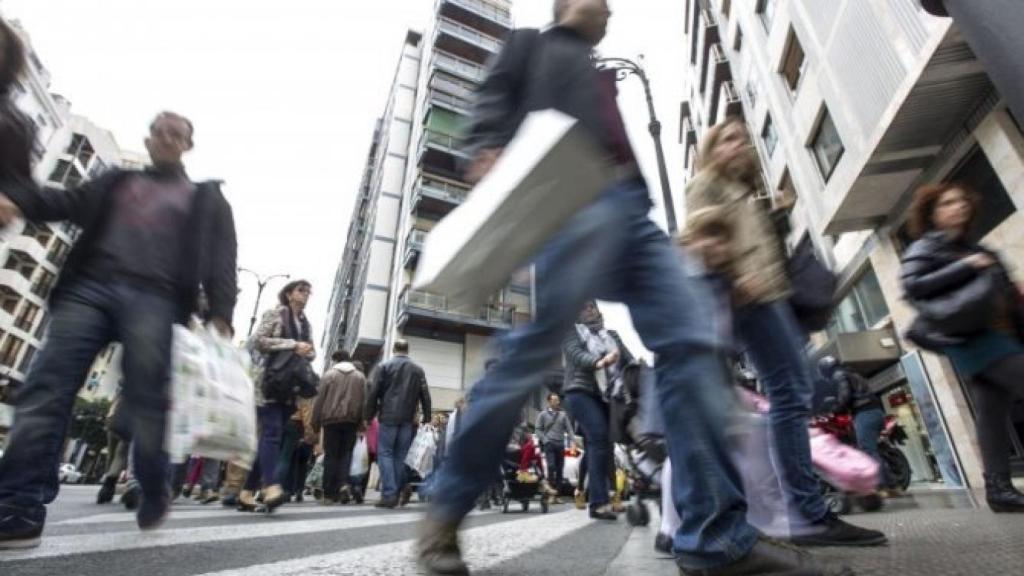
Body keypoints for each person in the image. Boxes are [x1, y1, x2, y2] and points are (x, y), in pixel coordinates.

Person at [417, 2, 853, 575]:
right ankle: (446, 507)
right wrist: (485, 149)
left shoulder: (597, 68)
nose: (609, 8)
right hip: (566, 200)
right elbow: (490, 99)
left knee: (694, 342)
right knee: (535, 349)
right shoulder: (531, 45)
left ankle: (715, 538)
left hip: (633, 216)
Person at [0, 111, 238, 548]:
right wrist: (16, 197)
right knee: (45, 387)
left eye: (176, 134)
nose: (166, 139)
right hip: (88, 289)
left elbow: (223, 258)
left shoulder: (206, 199)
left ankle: (152, 482)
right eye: (158, 132)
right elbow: (62, 203)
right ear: (147, 140)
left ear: (188, 145)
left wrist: (222, 313)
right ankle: (18, 507)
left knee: (145, 405)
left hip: (156, 298)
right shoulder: (114, 181)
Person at [688, 117, 886, 548]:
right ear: (709, 149)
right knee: (789, 397)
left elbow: (763, 248)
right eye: (727, 139)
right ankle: (808, 513)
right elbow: (699, 238)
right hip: (752, 299)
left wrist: (777, 214)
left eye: (742, 139)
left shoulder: (741, 192)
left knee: (791, 395)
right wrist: (733, 276)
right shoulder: (707, 184)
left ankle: (803, 510)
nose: (738, 145)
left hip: (771, 297)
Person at [900, 182, 1024, 513]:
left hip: (1001, 334)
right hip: (973, 337)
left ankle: (998, 490)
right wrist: (967, 266)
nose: (958, 207)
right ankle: (998, 489)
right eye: (947, 203)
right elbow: (912, 285)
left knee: (991, 414)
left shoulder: (973, 247)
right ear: (931, 213)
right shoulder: (925, 247)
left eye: (961, 201)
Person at [238, 280, 316, 513]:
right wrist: (292, 344)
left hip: (291, 386)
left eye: (308, 292)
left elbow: (311, 352)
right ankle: (271, 486)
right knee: (272, 433)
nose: (305, 295)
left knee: (272, 436)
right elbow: (258, 341)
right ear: (289, 294)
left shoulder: (306, 324)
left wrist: (307, 351)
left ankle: (246, 491)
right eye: (301, 290)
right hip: (269, 381)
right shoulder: (275, 314)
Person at [562, 301, 632, 520]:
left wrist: (639, 371)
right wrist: (599, 362)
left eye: (592, 306)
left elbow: (628, 360)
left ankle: (607, 497)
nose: (590, 309)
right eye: (584, 307)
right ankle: (598, 503)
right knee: (599, 438)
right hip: (580, 391)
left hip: (607, 395)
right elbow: (576, 355)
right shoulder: (572, 332)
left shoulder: (612, 335)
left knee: (605, 445)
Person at [366, 339, 431, 509]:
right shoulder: (417, 369)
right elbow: (425, 394)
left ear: (394, 349)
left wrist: (368, 416)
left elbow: (374, 393)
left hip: (388, 416)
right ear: (408, 350)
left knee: (385, 454)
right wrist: (427, 417)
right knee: (401, 455)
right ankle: (401, 487)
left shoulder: (384, 367)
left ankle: (389, 494)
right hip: (407, 418)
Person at [818, 356, 890, 497]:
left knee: (867, 450)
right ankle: (890, 484)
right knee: (870, 449)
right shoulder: (850, 373)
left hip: (865, 413)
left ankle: (880, 487)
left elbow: (845, 396)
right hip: (874, 411)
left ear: (825, 369)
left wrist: (834, 410)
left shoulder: (839, 375)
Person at [312, 349, 367, 505]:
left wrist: (315, 422)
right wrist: (362, 423)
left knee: (331, 456)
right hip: (351, 421)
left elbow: (319, 400)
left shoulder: (329, 375)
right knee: (346, 454)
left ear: (336, 360)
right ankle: (343, 484)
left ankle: (329, 494)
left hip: (331, 421)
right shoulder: (360, 377)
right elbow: (364, 401)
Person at [535, 392, 575, 504]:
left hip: (560, 445)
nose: (557, 402)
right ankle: (550, 494)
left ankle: (558, 495)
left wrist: (573, 441)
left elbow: (569, 429)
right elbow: (537, 429)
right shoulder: (542, 414)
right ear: (549, 401)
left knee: (560, 470)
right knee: (551, 467)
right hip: (549, 444)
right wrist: (545, 440)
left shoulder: (563, 415)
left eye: (557, 400)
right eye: (554, 400)